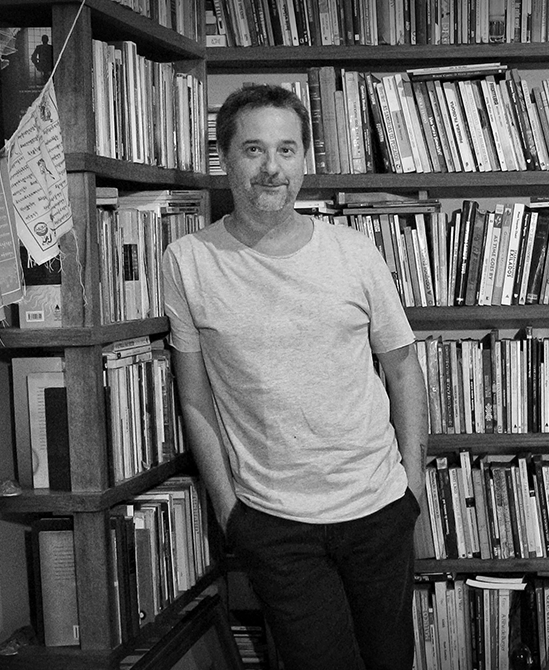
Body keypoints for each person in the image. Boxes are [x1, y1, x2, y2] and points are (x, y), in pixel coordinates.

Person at [161, 84, 428, 670]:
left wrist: (412, 487)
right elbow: (194, 395)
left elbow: (403, 367)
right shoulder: (188, 261)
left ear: (304, 158)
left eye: (286, 149)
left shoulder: (355, 253)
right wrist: (229, 510)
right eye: (253, 149)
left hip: (378, 510)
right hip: (273, 524)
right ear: (225, 158)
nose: (271, 168)